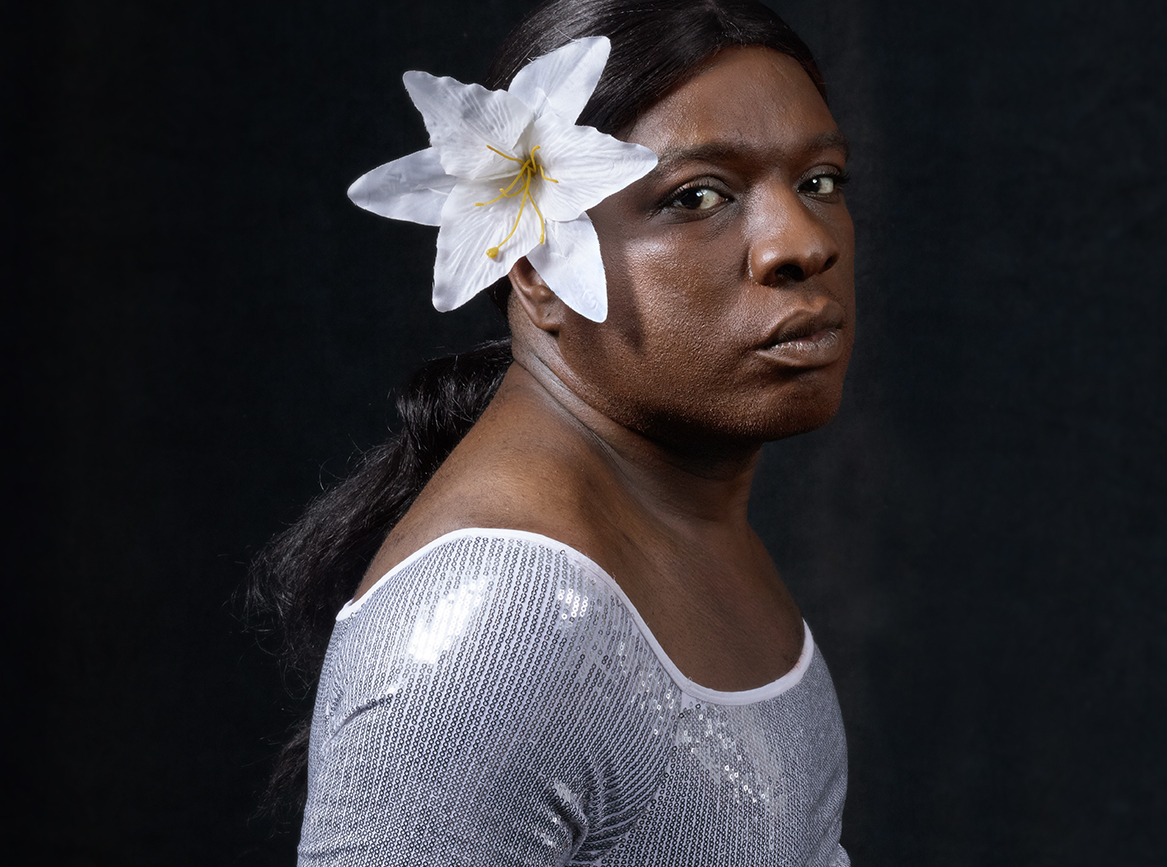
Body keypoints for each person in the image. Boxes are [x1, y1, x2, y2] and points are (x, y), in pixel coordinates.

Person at [247, 1, 857, 863]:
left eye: (821, 180)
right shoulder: (501, 619)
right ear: (531, 264)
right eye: (698, 196)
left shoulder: (683, 529)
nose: (799, 242)